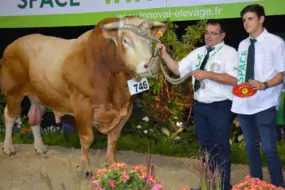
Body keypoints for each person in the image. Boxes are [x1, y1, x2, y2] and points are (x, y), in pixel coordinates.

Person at [156, 20, 238, 190]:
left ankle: (223, 186)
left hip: (220, 106)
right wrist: (164, 54)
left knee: (220, 147)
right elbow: (178, 69)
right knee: (205, 148)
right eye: (206, 32)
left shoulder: (230, 53)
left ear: (222, 35)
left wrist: (208, 74)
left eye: (213, 33)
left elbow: (234, 79)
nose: (208, 36)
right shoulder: (198, 52)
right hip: (201, 106)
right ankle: (207, 185)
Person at [231, 4, 285, 188]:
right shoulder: (242, 44)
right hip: (244, 104)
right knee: (251, 147)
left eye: (250, 18)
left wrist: (264, 85)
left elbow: (281, 74)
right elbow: (240, 72)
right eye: (244, 20)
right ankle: (256, 184)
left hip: (265, 103)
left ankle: (279, 185)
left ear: (261, 19)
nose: (246, 23)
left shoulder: (276, 42)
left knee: (269, 149)